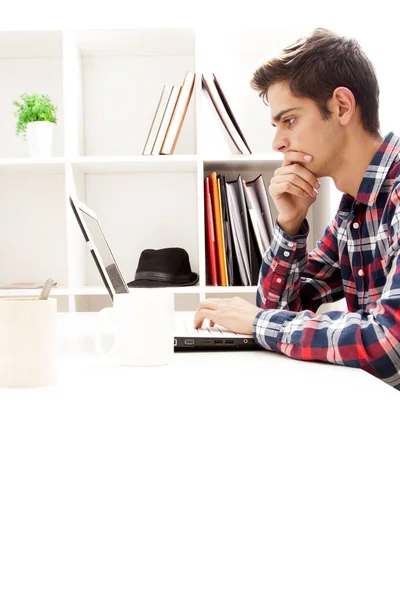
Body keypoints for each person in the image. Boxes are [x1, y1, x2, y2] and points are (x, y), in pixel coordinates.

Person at [194, 28, 400, 390]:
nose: (277, 143)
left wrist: (257, 322)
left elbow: (388, 346)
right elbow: (283, 309)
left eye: (289, 120)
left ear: (341, 107)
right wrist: (290, 224)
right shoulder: (354, 206)